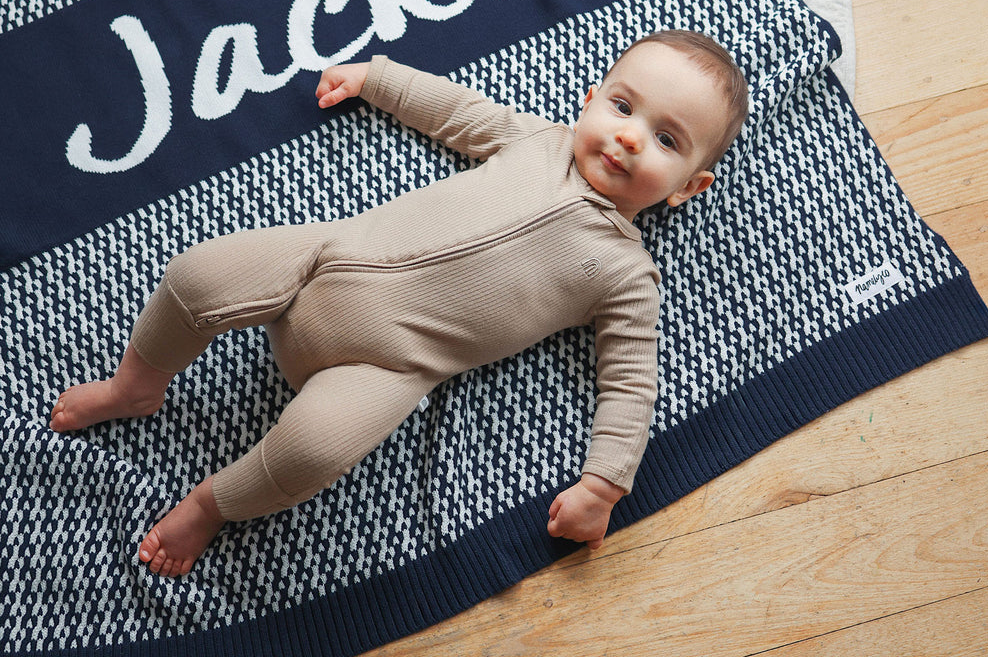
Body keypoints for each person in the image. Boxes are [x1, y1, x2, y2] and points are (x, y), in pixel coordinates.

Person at [49, 29, 749, 577]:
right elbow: (452, 110)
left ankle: (210, 504)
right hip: (316, 261)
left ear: (690, 186)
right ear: (591, 99)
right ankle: (135, 387)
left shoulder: (627, 276)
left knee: (313, 451)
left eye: (665, 140)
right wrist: (376, 79)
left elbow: (631, 382)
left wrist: (606, 483)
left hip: (387, 367)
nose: (629, 136)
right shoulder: (535, 141)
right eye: (623, 107)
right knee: (198, 274)